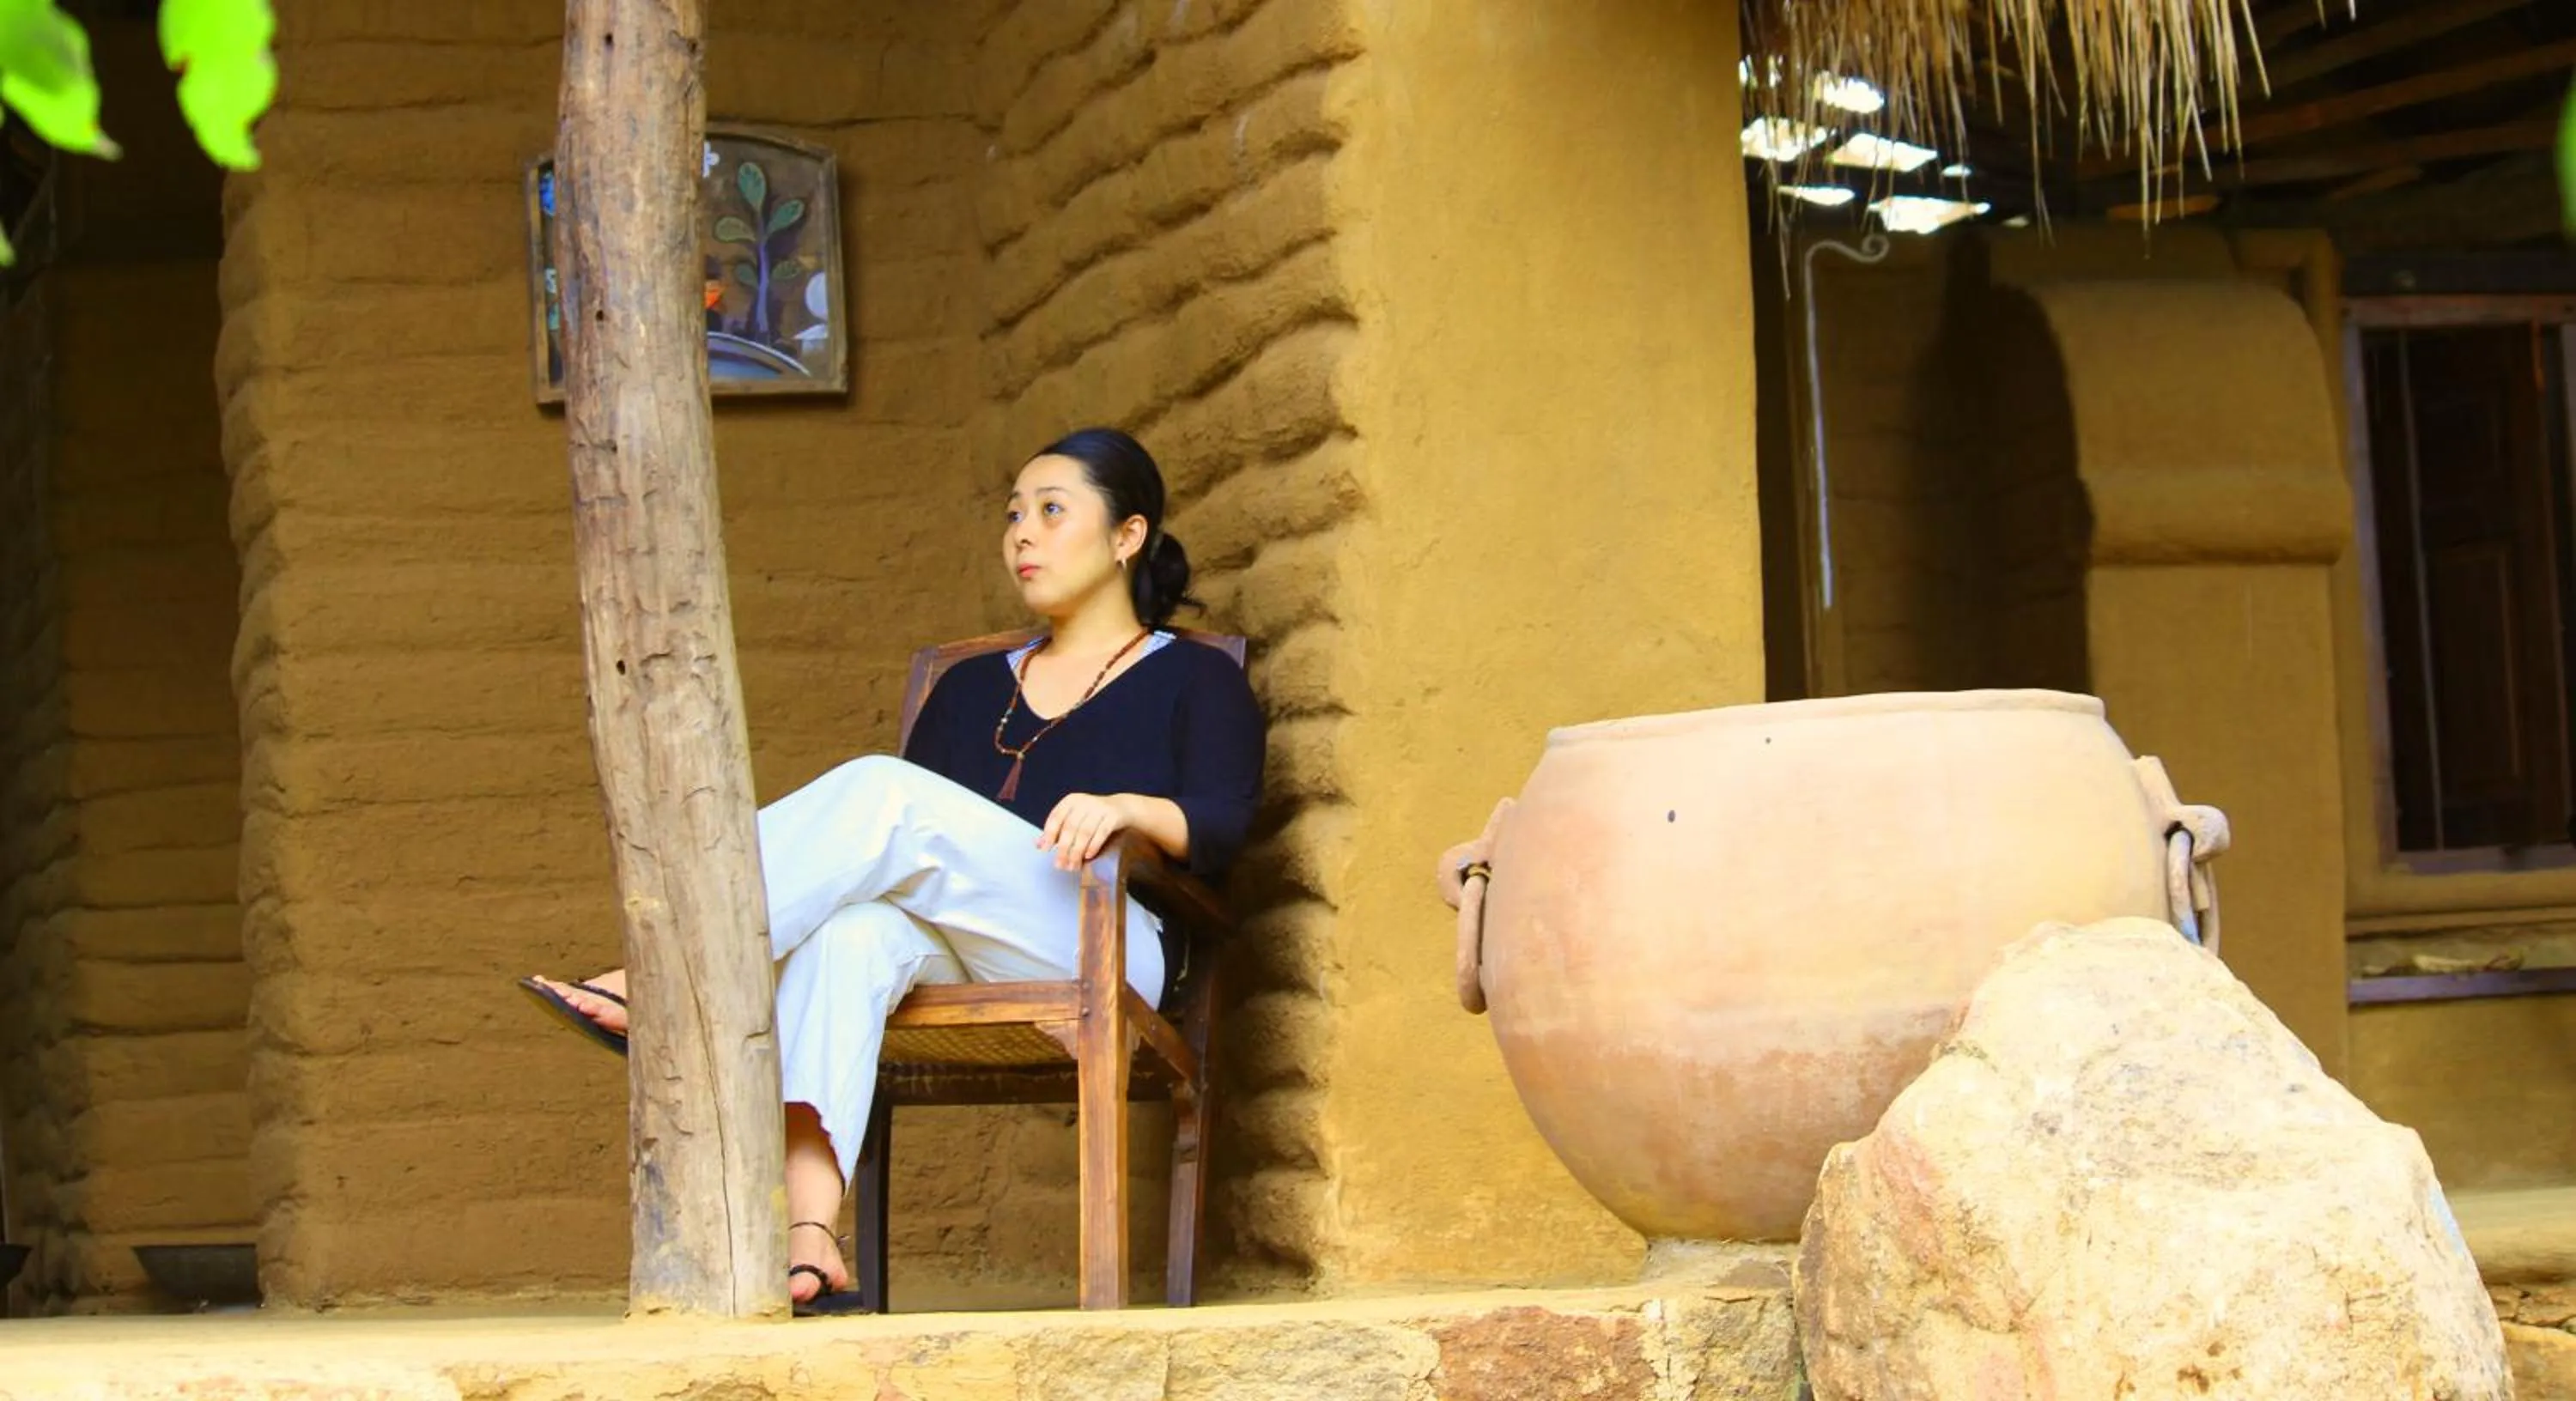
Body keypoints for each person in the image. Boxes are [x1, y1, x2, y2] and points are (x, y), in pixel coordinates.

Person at [520, 428, 1266, 1313]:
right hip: (967, 943)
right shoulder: (971, 688)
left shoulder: (1194, 677)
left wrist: (1129, 809)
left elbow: (1223, 825)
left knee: (884, 792)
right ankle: (810, 1240)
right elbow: (900, 860)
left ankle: (668, 983)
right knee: (854, 932)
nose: (1023, 534)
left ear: (1127, 535)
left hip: (1113, 938)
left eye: (1051, 511)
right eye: (1013, 515)